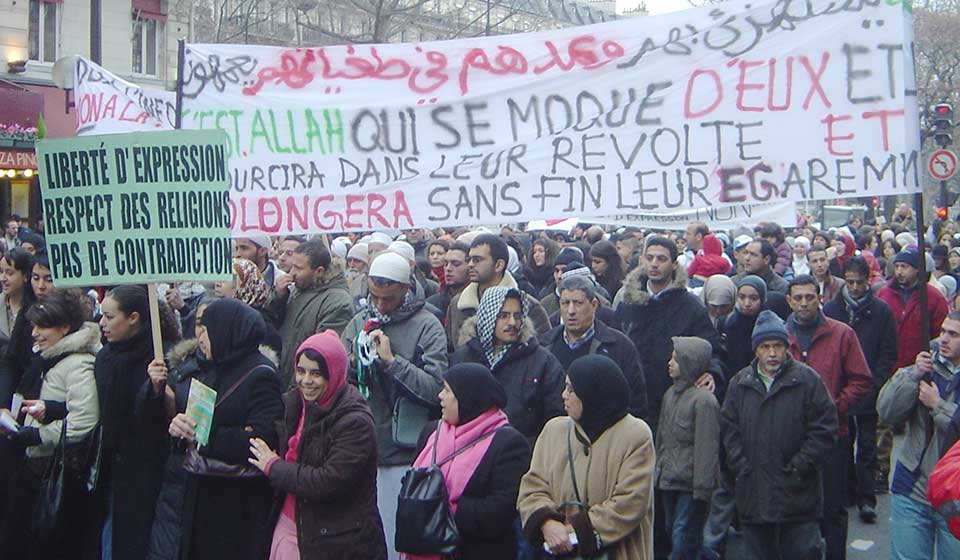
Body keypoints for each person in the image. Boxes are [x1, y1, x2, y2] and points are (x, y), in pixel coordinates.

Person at [341, 252, 448, 559]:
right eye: (374, 297)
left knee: (392, 542)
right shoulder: (359, 322)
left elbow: (436, 390)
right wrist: (352, 364)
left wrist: (392, 363)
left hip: (402, 453)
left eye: (387, 298)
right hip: (358, 448)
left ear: (405, 289)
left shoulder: (427, 325)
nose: (379, 305)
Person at [248, 331, 386, 560]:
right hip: (292, 528)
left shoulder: (355, 422)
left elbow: (327, 481)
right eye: (301, 371)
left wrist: (274, 466)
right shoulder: (294, 403)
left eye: (316, 374)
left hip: (336, 541)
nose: (306, 381)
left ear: (334, 373)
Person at [166, 299, 284, 560]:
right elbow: (200, 421)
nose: (201, 338)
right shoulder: (213, 368)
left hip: (236, 502)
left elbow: (260, 440)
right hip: (201, 490)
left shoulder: (261, 374)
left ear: (227, 330)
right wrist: (181, 427)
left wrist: (205, 436)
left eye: (207, 329)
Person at [721, 310, 837, 560]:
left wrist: (799, 467)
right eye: (765, 346)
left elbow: (825, 429)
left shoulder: (807, 381)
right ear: (756, 350)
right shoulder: (740, 383)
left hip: (797, 496)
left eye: (777, 346)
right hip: (754, 494)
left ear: (787, 347)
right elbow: (729, 431)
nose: (772, 353)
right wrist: (741, 466)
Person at [517, 355, 654, 560]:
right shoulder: (554, 430)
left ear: (592, 393)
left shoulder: (635, 434)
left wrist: (578, 531)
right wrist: (548, 523)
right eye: (565, 387)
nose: (564, 395)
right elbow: (533, 487)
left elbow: (631, 501)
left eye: (571, 389)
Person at [0, 289, 101, 558]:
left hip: (55, 474)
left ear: (65, 328)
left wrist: (37, 435)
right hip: (32, 469)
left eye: (43, 326)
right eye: (33, 326)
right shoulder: (46, 358)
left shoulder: (79, 364)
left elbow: (84, 419)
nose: (34, 333)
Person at [784, 275, 873, 560]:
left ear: (820, 298)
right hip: (790, 437)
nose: (804, 303)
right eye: (797, 298)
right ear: (789, 301)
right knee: (794, 508)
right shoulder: (780, 337)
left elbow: (861, 379)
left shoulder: (842, 334)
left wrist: (835, 407)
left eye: (810, 297)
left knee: (832, 509)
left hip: (833, 436)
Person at [94, 285, 181, 560]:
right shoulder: (106, 356)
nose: (102, 323)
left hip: (145, 469)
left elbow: (156, 419)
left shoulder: (161, 357)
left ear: (133, 318)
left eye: (109, 317)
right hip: (109, 465)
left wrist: (156, 391)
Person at [409, 363, 531, 559]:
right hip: (424, 548)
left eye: (448, 390)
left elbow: (500, 510)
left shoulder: (508, 443)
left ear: (468, 398)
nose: (440, 395)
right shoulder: (432, 432)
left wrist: (443, 510)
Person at [877, 311, 960, 559]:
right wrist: (911, 376)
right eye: (943, 331)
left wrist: (939, 407)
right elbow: (886, 412)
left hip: (955, 493)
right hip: (912, 487)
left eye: (953, 334)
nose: (943, 339)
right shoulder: (924, 368)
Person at [822, 256, 898, 523]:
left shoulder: (881, 311)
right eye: (851, 282)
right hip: (840, 391)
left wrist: (876, 382)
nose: (855, 288)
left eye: (860, 283)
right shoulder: (832, 309)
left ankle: (867, 497)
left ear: (868, 281)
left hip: (868, 390)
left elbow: (888, 352)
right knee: (842, 444)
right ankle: (847, 491)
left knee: (867, 446)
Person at [617, 236, 719, 431]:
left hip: (675, 403)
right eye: (650, 258)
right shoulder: (627, 303)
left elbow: (711, 349)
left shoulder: (690, 307)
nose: (654, 264)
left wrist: (712, 373)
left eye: (661, 259)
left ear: (674, 264)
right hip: (632, 402)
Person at [146, 298, 221, 560]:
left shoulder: (250, 373)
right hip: (178, 478)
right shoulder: (182, 365)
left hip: (214, 486)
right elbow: (159, 421)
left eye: (212, 324)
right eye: (200, 323)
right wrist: (158, 393)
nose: (203, 332)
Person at [451, 286, 565, 442]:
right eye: (503, 315)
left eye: (517, 316)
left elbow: (556, 417)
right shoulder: (463, 358)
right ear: (487, 315)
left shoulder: (542, 361)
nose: (512, 322)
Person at [541, 274, 647, 419]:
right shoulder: (546, 345)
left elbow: (636, 403)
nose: (571, 311)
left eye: (578, 303)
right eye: (565, 303)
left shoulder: (619, 346)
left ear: (594, 305)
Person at [656, 337, 719, 560]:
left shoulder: (703, 401)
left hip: (691, 484)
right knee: (673, 531)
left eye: (676, 359)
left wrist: (703, 489)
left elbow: (706, 447)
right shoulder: (669, 395)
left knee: (684, 537)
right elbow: (661, 439)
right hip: (668, 480)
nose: (670, 363)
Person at [446, 234, 550, 350]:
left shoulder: (529, 306)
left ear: (498, 265)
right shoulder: (458, 304)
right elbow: (451, 350)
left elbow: (543, 354)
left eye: (477, 260)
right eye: (469, 259)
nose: (470, 264)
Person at [273, 239, 354, 387]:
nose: (292, 273)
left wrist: (297, 390)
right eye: (292, 267)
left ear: (319, 271)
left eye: (298, 268)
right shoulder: (298, 290)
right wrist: (280, 299)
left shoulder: (337, 302)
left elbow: (322, 356)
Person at [426, 241, 470, 322]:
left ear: (470, 266)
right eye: (446, 264)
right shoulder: (431, 305)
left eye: (456, 264)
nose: (448, 269)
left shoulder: (481, 303)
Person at [0, 249, 33, 356]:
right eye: (1, 272)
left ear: (25, 276)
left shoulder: (36, 308)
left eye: (9, 273)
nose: (2, 278)